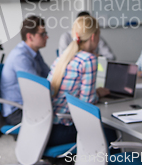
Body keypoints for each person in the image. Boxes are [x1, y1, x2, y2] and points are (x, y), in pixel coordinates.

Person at [47, 15, 115, 147]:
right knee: (109, 132)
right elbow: (86, 104)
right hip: (63, 128)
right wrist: (98, 94)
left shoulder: (63, 57)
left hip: (47, 127)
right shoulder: (88, 59)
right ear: (94, 37)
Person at [0, 15, 50, 125]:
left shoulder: (34, 52)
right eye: (43, 34)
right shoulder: (21, 57)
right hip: (17, 111)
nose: (47, 37)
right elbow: (38, 88)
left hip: (29, 105)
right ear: (30, 37)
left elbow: (49, 75)